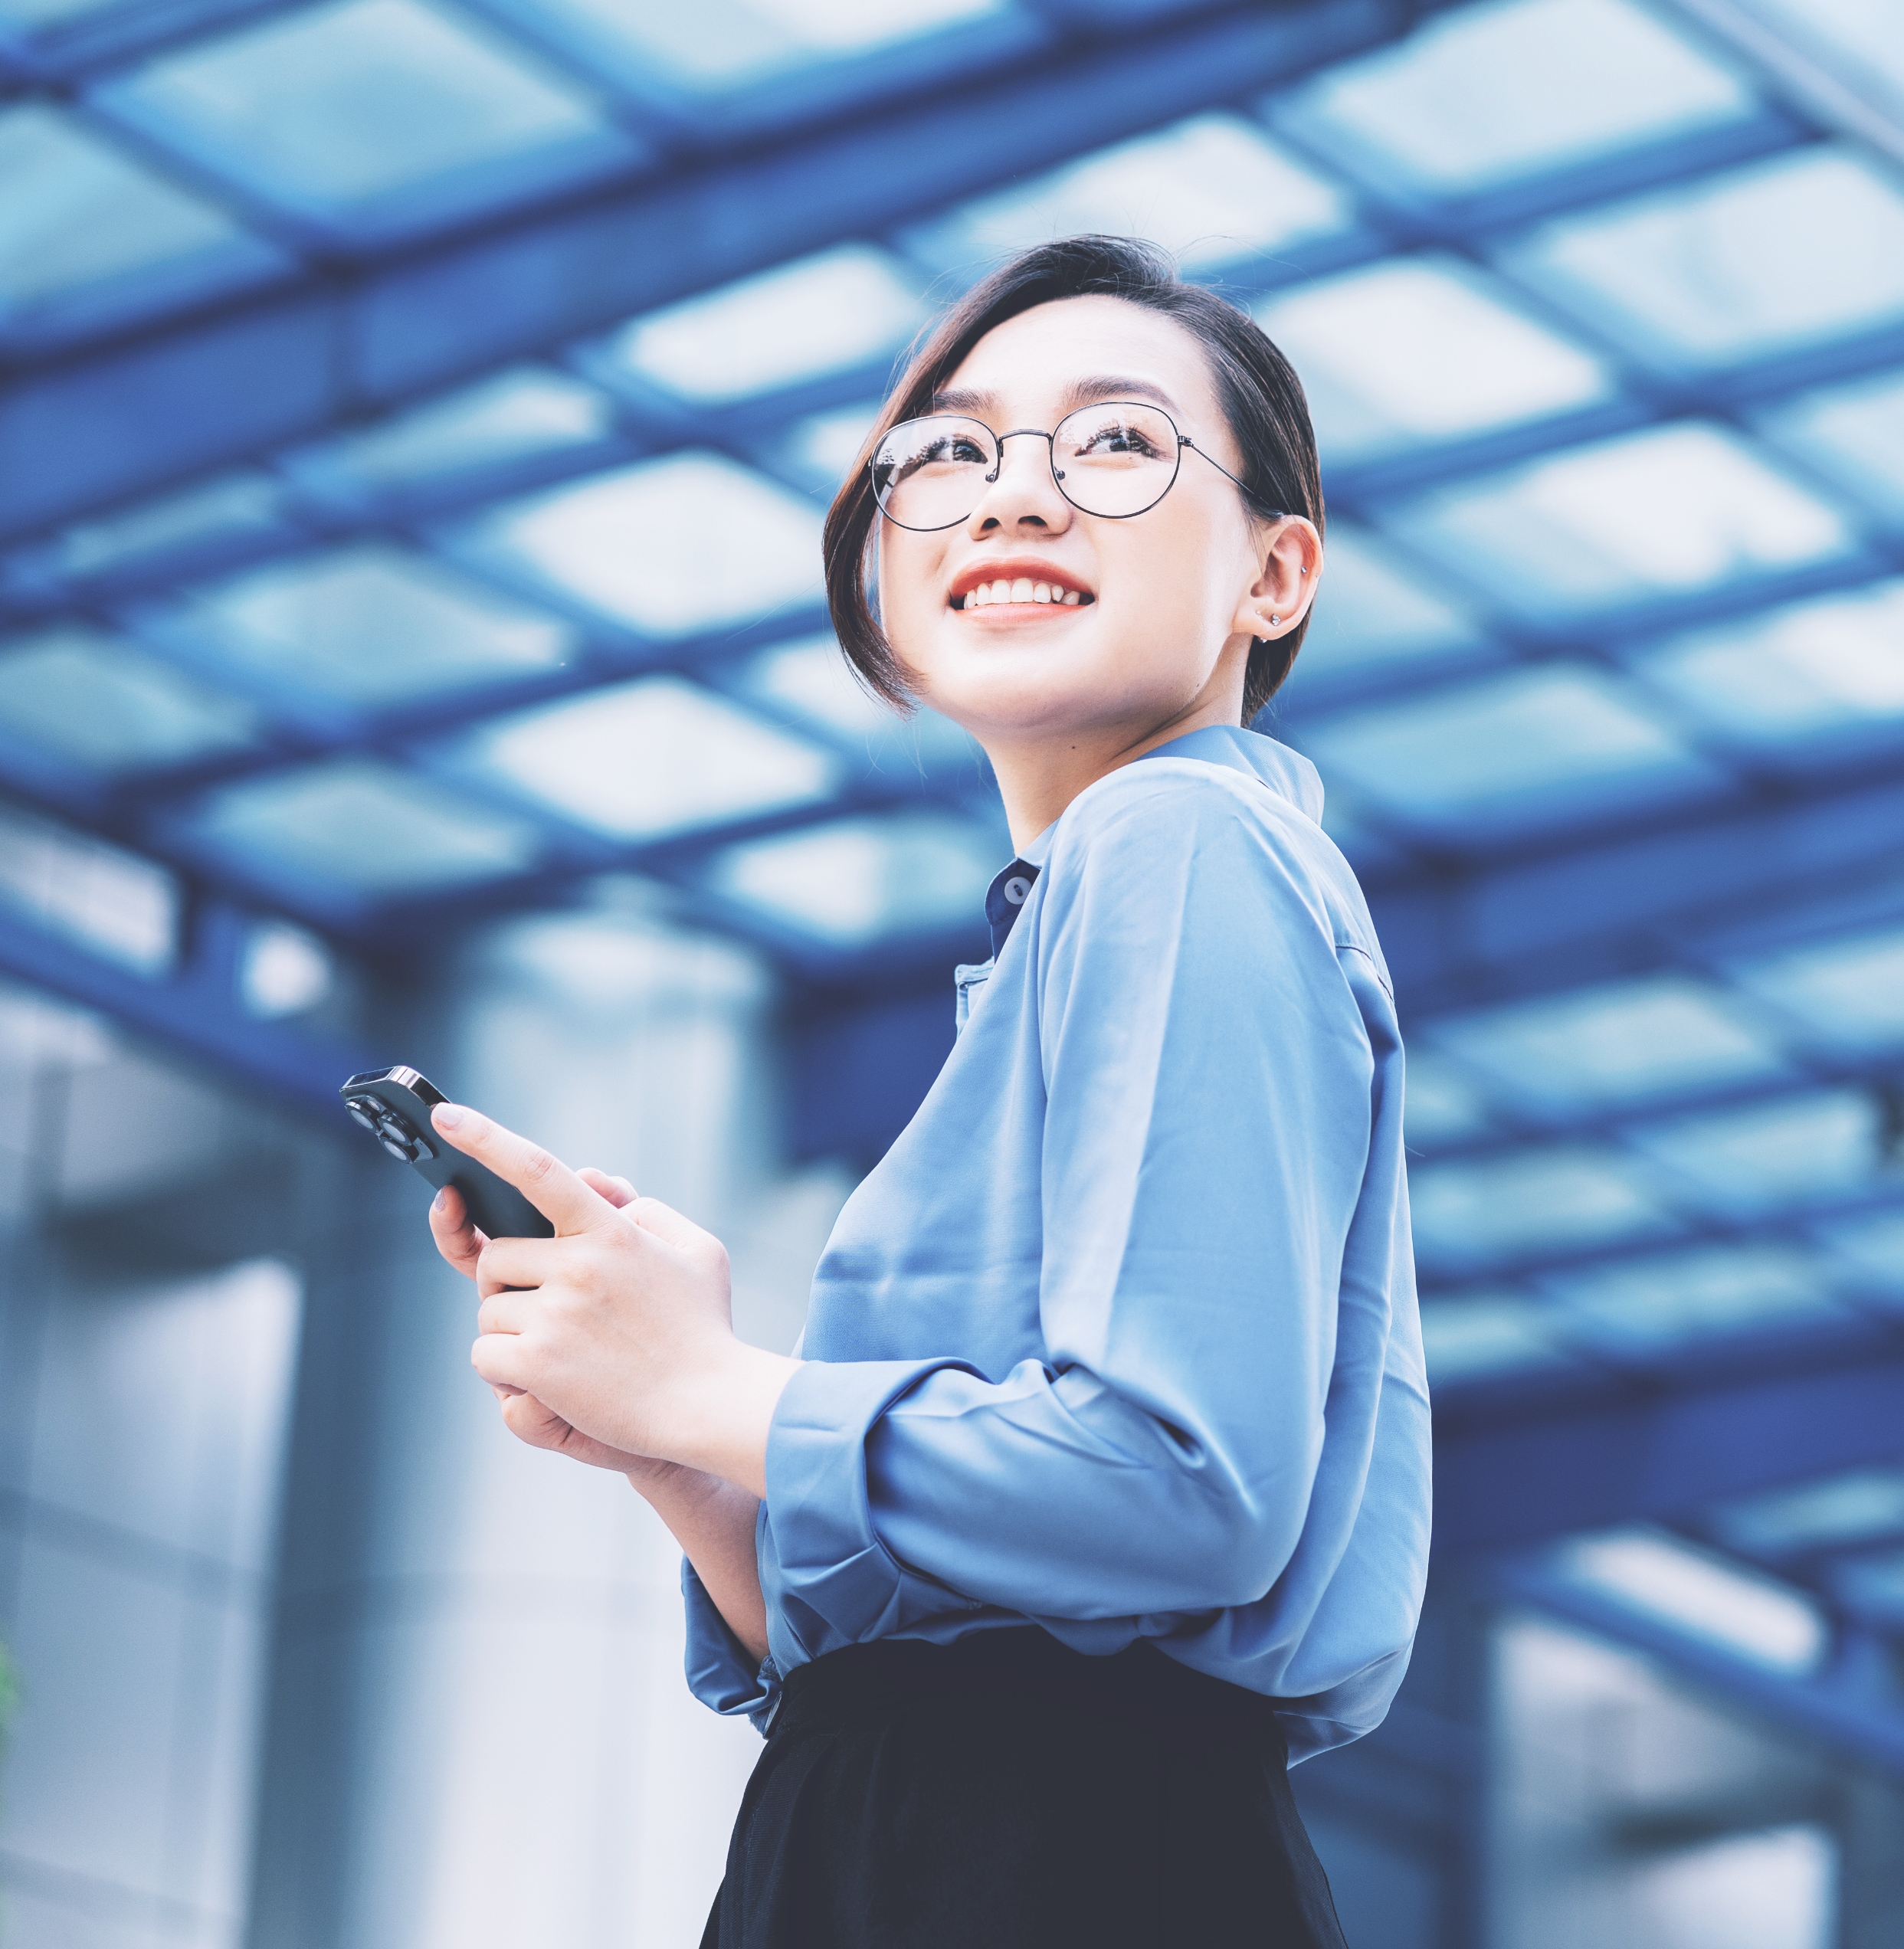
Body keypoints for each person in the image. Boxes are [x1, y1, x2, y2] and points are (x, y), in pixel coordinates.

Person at [424, 234, 1431, 1948]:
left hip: (1058, 1855)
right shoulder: (1092, 914)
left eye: (1113, 444)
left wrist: (722, 1384)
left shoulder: (1177, 838)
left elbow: (1178, 1489)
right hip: (937, 1831)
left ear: (1276, 575)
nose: (1010, 496)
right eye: (946, 454)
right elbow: (938, 1631)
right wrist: (681, 1445)